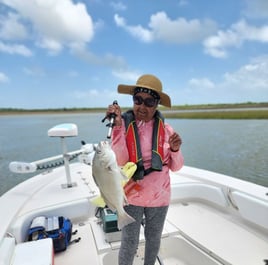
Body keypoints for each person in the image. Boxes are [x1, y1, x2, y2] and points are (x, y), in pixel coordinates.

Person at [106, 74, 184, 265]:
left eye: (149, 102)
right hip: (131, 195)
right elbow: (121, 160)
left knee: (154, 238)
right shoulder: (122, 125)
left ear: (157, 104)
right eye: (138, 100)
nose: (142, 106)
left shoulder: (167, 130)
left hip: (159, 196)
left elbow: (177, 166)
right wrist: (116, 127)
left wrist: (175, 150)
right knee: (129, 242)